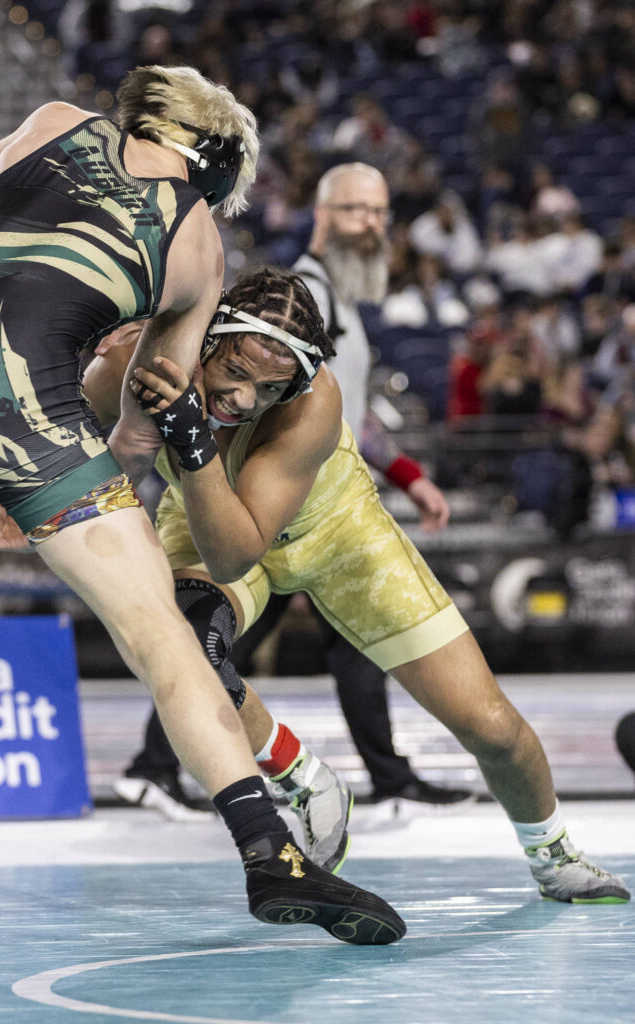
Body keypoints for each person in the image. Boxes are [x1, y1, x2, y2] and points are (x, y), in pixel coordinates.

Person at [0, 66, 406, 947]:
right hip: (13, 396)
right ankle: (272, 856)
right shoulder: (197, 242)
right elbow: (149, 418)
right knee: (159, 632)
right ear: (218, 168)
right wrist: (59, 484)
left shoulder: (51, 121)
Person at [0, 269, 630, 907]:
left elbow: (235, 553)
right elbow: (65, 446)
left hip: (336, 532)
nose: (246, 399)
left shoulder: (314, 403)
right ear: (210, 339)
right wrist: (39, 516)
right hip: (208, 512)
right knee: (183, 644)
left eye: (269, 388)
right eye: (236, 372)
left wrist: (195, 444)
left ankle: (553, 853)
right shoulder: (130, 366)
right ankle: (305, 776)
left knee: (491, 728)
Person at [123, 162, 474, 820]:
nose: (372, 225)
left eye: (379, 213)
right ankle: (167, 766)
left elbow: (344, 414)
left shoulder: (340, 300)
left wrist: (405, 475)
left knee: (227, 639)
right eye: (355, 211)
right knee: (233, 635)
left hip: (301, 491)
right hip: (283, 501)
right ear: (322, 213)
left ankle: (158, 766)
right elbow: (294, 413)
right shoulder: (299, 307)